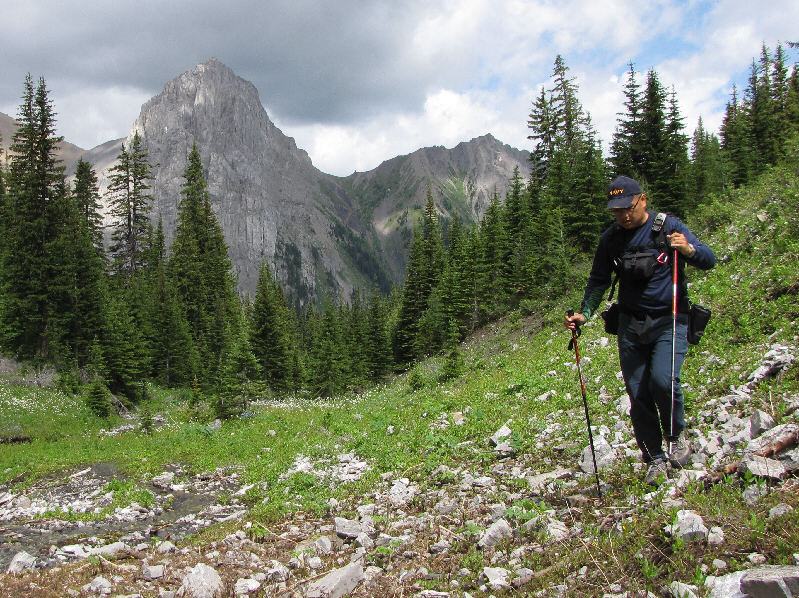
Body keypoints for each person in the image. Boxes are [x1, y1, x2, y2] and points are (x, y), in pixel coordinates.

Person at [565, 176, 716, 486]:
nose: (623, 216)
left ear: (642, 200)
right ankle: (654, 458)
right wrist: (585, 313)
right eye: (616, 211)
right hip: (631, 325)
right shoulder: (611, 240)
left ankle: (676, 435)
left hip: (670, 319)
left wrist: (687, 249)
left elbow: (708, 259)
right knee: (638, 392)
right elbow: (598, 280)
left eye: (627, 208)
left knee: (663, 380)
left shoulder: (668, 227)